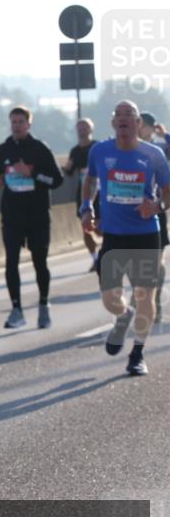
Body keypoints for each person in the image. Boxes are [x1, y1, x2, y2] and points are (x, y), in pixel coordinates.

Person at [81, 100, 170, 376]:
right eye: (118, 115)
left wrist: (156, 206)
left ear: (137, 123)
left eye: (128, 115)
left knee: (144, 295)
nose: (123, 119)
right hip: (114, 235)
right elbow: (90, 181)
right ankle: (122, 316)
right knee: (110, 298)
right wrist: (87, 208)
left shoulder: (153, 154)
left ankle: (137, 354)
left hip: (146, 234)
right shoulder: (99, 151)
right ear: (112, 123)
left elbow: (168, 192)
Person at [0, 106, 64, 329]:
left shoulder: (40, 149)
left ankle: (43, 305)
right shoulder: (4, 149)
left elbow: (57, 180)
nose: (17, 126)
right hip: (12, 215)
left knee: (39, 263)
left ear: (29, 124)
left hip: (37, 216)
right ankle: (17, 310)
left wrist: (31, 173)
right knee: (10, 262)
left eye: (21, 122)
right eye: (13, 122)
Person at [140, 111, 170, 323]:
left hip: (157, 210)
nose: (140, 127)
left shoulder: (161, 148)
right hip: (132, 212)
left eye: (143, 124)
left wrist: (165, 135)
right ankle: (141, 300)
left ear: (151, 127)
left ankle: (156, 300)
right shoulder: (128, 147)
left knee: (157, 259)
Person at [63, 118, 102, 272]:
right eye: (79, 128)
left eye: (85, 127)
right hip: (83, 194)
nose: (82, 130)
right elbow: (69, 171)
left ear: (91, 129)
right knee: (86, 229)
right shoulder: (75, 151)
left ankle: (106, 253)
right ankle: (95, 259)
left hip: (100, 193)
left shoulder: (97, 147)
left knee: (100, 229)